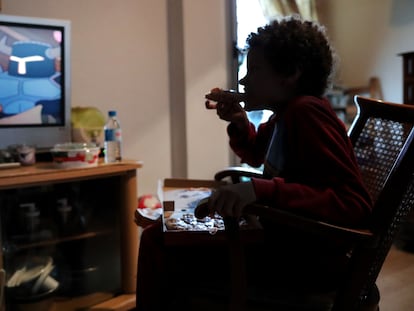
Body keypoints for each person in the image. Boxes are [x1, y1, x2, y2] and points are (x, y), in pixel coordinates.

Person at [135, 15, 373, 310]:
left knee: (158, 240)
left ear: (291, 74)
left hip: (301, 264)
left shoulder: (306, 113)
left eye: (255, 69)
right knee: (166, 235)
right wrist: (239, 121)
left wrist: (262, 191)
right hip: (281, 243)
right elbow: (258, 153)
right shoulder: (285, 113)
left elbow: (355, 205)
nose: (244, 79)